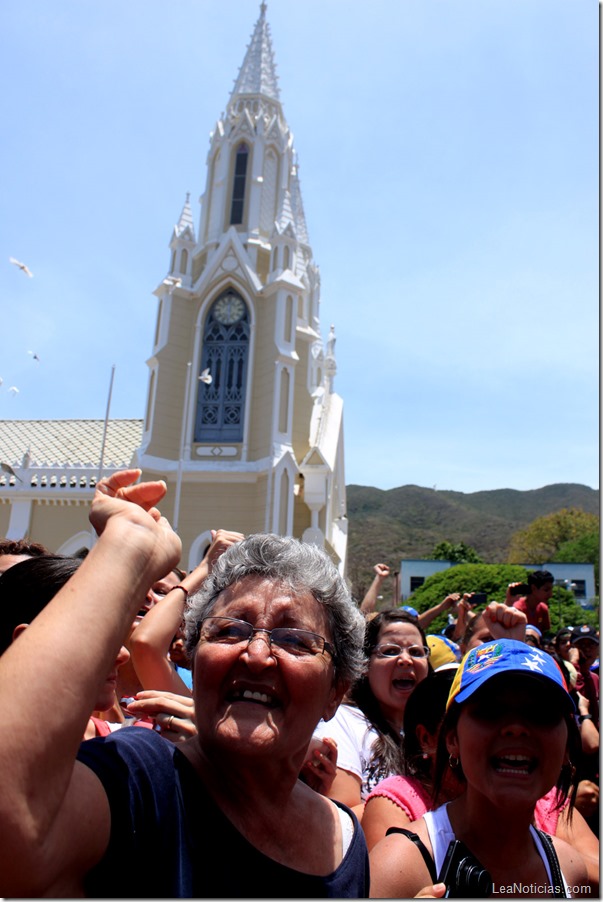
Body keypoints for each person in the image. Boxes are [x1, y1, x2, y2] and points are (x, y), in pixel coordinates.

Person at [0, 469, 369, 898]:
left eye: (294, 640)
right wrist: (127, 544)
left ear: (336, 692)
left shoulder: (345, 841)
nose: (255, 654)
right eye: (229, 630)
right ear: (194, 659)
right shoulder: (139, 778)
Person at [369, 639, 589, 897]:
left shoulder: (570, 870)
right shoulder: (400, 866)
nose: (516, 728)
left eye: (541, 713)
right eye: (491, 711)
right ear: (452, 740)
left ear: (566, 748)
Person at [313, 609, 432, 812]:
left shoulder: (437, 729)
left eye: (416, 652)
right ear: (366, 665)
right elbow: (345, 816)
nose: (406, 659)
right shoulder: (344, 721)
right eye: (390, 651)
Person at [129, 528, 244, 696]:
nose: (146, 596)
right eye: (137, 587)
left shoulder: (195, 687)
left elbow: (145, 645)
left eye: (161, 592)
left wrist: (207, 566)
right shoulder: (88, 672)